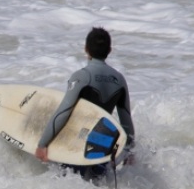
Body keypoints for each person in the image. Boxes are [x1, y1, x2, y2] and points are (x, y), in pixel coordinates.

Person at [34, 26, 135, 180]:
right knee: (98, 188)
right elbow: (126, 123)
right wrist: (129, 151)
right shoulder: (119, 80)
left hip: (75, 147)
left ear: (86, 49)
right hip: (101, 149)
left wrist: (42, 144)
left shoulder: (81, 77)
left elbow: (63, 113)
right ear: (109, 50)